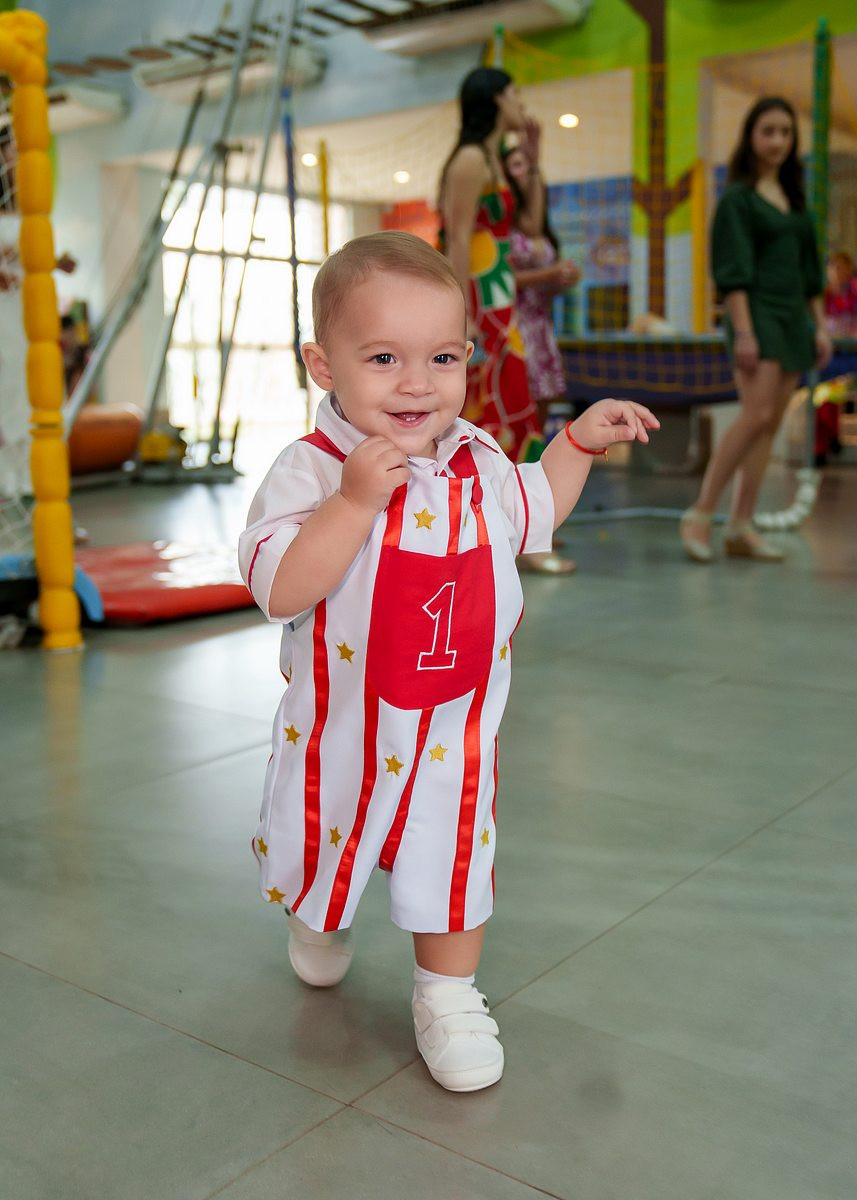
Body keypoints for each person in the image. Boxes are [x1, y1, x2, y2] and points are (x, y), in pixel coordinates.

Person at [238, 231, 658, 1093]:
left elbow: (534, 511)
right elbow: (280, 587)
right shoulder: (310, 470)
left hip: (451, 728)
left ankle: (447, 993)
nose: (416, 383)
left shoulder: (476, 458)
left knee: (453, 849)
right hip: (342, 729)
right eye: (382, 358)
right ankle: (319, 916)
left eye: (441, 357)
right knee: (324, 839)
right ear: (322, 365)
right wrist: (354, 502)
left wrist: (576, 445)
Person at [680, 96, 832, 562]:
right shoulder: (739, 200)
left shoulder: (796, 204)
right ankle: (700, 513)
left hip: (793, 320)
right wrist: (745, 332)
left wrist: (820, 328)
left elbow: (810, 277)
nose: (778, 141)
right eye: (768, 131)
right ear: (750, 136)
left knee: (769, 424)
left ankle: (740, 525)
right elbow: (732, 273)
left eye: (786, 132)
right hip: (758, 314)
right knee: (754, 416)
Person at [438, 66, 572, 575]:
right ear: (495, 99)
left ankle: (516, 533)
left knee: (515, 410)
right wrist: (461, 314)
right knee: (490, 412)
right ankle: (495, 536)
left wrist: (534, 164)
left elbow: (531, 226)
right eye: (514, 93)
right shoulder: (471, 159)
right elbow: (456, 237)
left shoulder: (494, 159)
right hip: (482, 302)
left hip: (501, 301)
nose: (521, 103)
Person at [501, 142, 579, 431]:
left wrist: (562, 280)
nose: (523, 172)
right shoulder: (502, 224)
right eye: (515, 165)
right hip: (514, 324)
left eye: (528, 165)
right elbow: (503, 279)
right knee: (515, 408)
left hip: (541, 325)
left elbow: (543, 287)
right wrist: (549, 273)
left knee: (541, 410)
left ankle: (534, 457)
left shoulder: (540, 229)